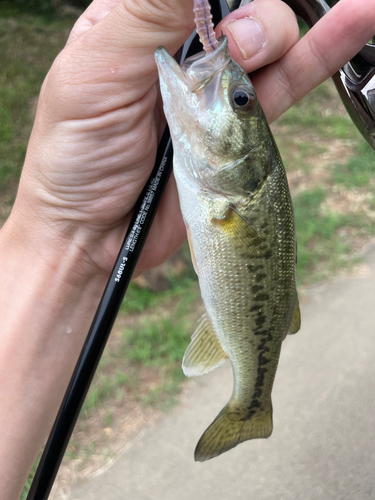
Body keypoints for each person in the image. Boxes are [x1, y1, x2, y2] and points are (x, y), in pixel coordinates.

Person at [0, 0, 374, 497]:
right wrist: (63, 228)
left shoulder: (231, 194)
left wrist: (67, 240)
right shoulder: (226, 190)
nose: (237, 94)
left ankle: (250, 401)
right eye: (244, 101)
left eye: (240, 102)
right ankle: (253, 401)